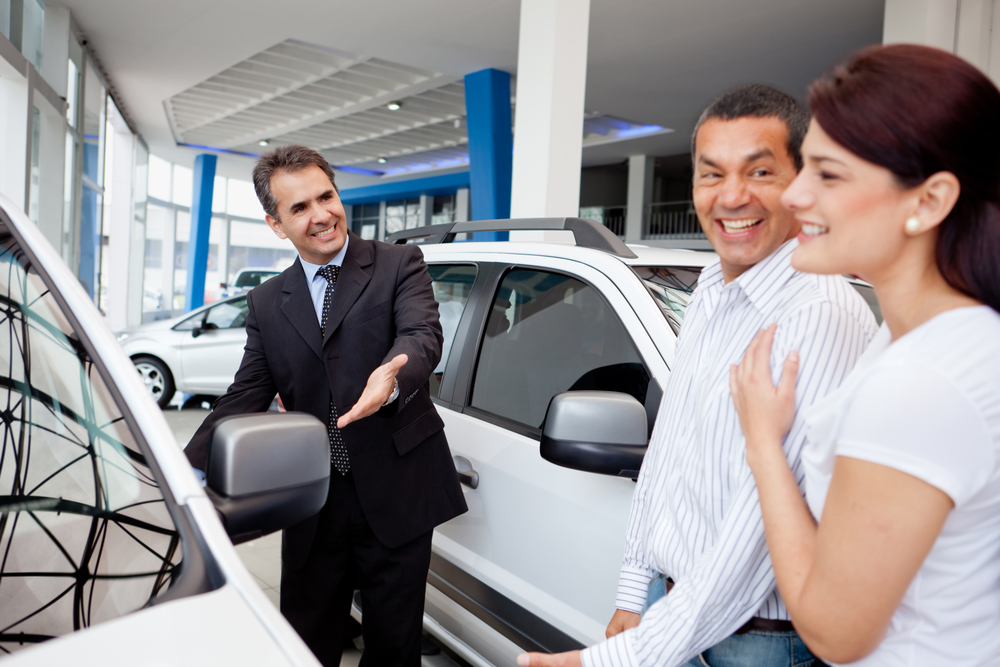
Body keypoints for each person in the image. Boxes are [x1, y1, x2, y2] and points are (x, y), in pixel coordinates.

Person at [519, 85, 878, 667]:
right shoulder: (710, 289)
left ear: (801, 182)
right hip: (677, 607)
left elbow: (762, 534)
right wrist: (636, 593)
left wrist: (622, 656)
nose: (732, 196)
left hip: (758, 637)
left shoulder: (818, 313)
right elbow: (672, 446)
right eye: (711, 174)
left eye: (759, 171)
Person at [730, 44, 1000, 666]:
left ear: (929, 201)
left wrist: (763, 444)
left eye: (828, 174)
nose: (794, 196)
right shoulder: (943, 336)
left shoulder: (920, 384)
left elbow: (834, 631)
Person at [184, 145, 467, 667]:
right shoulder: (268, 301)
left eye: (326, 196)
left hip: (397, 488)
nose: (321, 215)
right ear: (276, 224)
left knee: (394, 647)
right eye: (300, 208)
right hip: (313, 497)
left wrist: (393, 373)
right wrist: (185, 469)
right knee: (307, 640)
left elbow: (422, 333)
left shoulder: (398, 264)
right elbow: (246, 392)